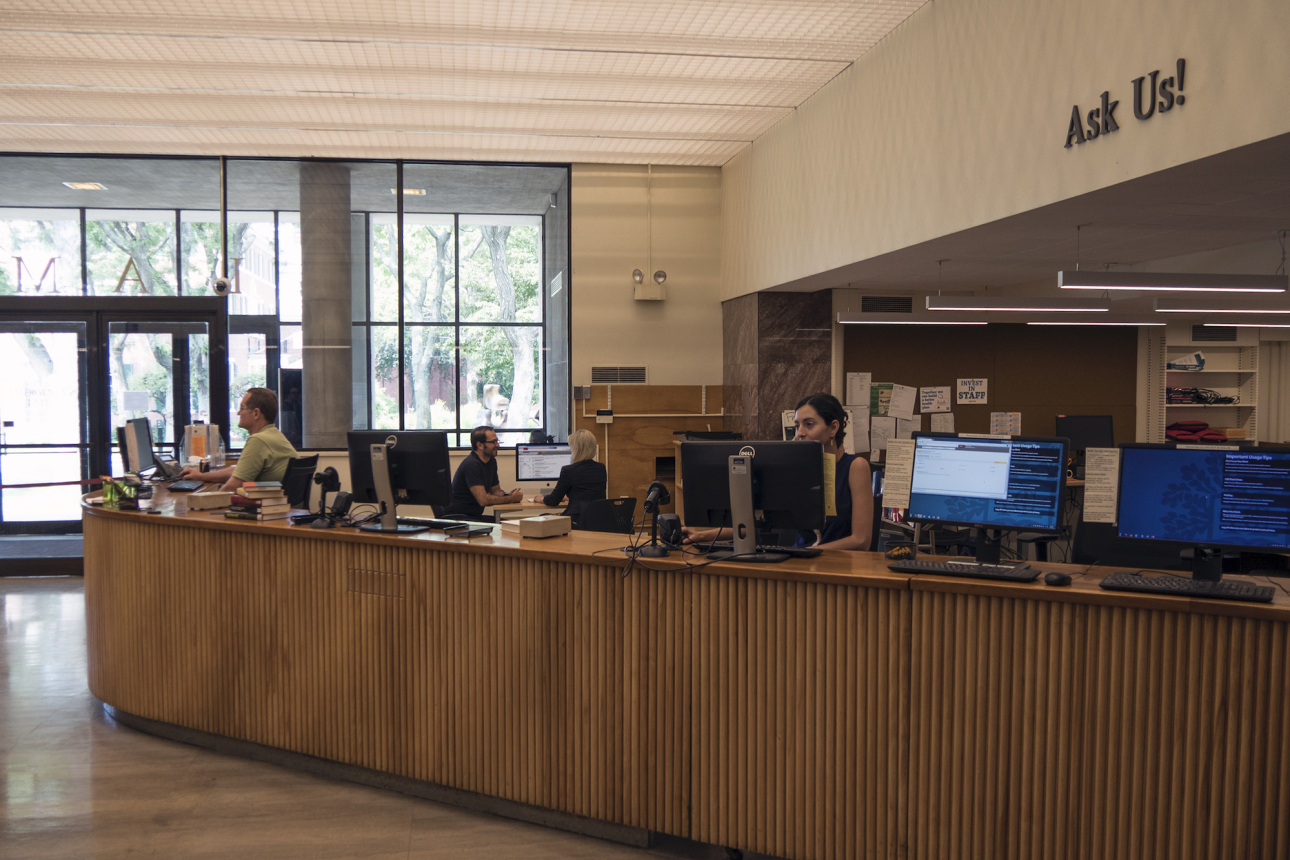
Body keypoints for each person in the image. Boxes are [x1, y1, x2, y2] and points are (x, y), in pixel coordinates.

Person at [684, 392, 874, 551]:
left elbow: (861, 540)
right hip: (800, 563)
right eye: (797, 425)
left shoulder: (855, 467)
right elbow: (761, 522)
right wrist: (702, 535)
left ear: (833, 427)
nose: (800, 432)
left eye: (809, 424)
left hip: (837, 566)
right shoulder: (797, 469)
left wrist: (807, 553)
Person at [180, 388, 298, 492]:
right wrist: (201, 477)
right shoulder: (275, 435)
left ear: (256, 413)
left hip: (264, 510)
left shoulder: (259, 440)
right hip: (283, 509)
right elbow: (239, 471)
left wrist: (203, 503)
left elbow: (232, 487)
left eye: (242, 408)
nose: (238, 413)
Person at [442, 425, 523, 521]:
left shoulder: (491, 461)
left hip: (473, 516)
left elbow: (495, 491)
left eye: (497, 441)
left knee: (512, 525)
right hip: (459, 518)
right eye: (493, 442)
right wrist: (511, 499)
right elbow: (483, 500)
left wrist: (508, 495)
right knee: (507, 528)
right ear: (479, 445)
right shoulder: (471, 465)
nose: (498, 445)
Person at [533, 429, 607, 527]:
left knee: (542, 518)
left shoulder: (568, 470)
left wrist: (542, 498)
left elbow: (553, 501)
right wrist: (571, 496)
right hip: (599, 519)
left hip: (577, 521)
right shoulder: (601, 468)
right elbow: (590, 493)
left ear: (576, 449)